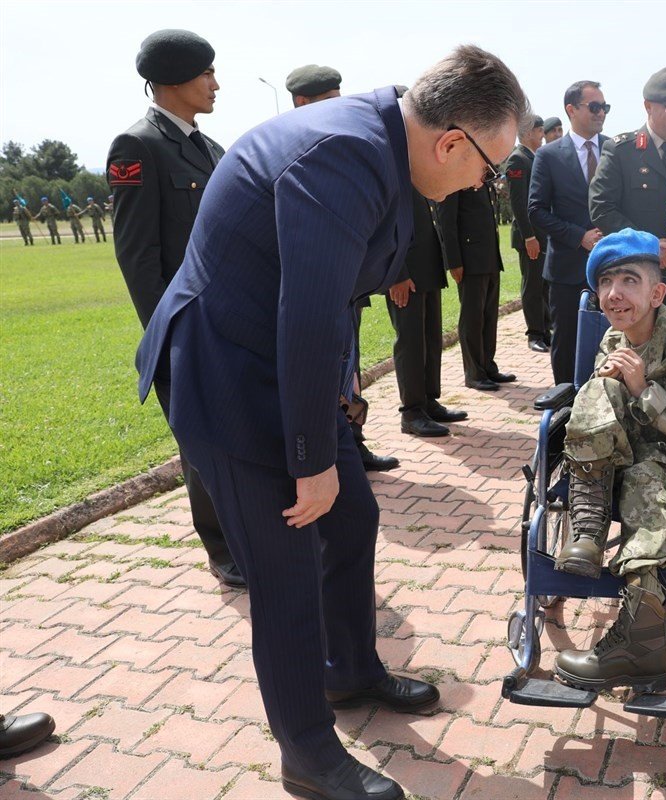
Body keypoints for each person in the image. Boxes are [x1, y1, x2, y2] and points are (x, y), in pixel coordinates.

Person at [133, 45, 526, 799]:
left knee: (351, 519)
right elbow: (307, 313)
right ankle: (308, 756)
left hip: (280, 365)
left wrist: (333, 414)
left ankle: (349, 672)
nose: (487, 181)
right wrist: (312, 458)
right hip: (229, 375)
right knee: (283, 570)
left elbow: (329, 295)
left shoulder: (380, 142)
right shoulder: (347, 151)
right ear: (452, 141)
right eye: (491, 166)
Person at [552, 229, 666, 693]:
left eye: (629, 280)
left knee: (642, 483)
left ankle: (641, 646)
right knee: (596, 389)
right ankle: (588, 536)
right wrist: (614, 387)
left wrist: (645, 392)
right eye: (606, 282)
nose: (614, 293)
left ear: (657, 293)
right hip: (625, 452)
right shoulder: (614, 337)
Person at [107, 29, 242, 588]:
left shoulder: (209, 148)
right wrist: (172, 335)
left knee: (236, 436)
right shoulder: (136, 146)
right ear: (170, 81)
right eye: (205, 73)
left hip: (230, 320)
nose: (215, 83)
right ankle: (224, 551)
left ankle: (247, 533)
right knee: (202, 444)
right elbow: (139, 257)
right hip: (187, 328)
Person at [286, 63, 397, 472]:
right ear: (302, 102)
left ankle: (354, 444)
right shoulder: (296, 144)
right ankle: (327, 453)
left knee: (350, 367)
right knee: (321, 374)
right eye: (327, 102)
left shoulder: (340, 142)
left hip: (348, 287)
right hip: (312, 287)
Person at [589, 64, 666, 311]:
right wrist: (649, 244)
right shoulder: (621, 150)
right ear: (648, 106)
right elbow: (601, 208)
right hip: (635, 276)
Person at [528, 80, 609, 385]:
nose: (601, 113)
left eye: (605, 107)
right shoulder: (548, 156)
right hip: (566, 269)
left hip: (611, 267)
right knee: (567, 345)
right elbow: (536, 210)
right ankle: (566, 409)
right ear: (571, 110)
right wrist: (579, 236)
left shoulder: (615, 149)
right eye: (595, 107)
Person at [388, 188, 465, 438]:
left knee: (431, 339)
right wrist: (397, 274)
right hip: (406, 273)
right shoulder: (392, 172)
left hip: (428, 266)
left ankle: (428, 401)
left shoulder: (417, 173)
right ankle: (411, 412)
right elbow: (385, 224)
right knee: (410, 343)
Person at [437, 182, 516, 391]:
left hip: (488, 256)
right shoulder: (457, 179)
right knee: (472, 318)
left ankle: (488, 366)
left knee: (489, 316)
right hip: (470, 259)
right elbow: (447, 220)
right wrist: (453, 261)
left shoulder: (484, 179)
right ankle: (474, 373)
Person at [503, 113, 551, 352]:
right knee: (532, 285)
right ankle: (534, 334)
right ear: (528, 132)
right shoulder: (517, 160)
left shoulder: (534, 158)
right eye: (540, 131)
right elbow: (518, 203)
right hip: (530, 236)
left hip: (542, 235)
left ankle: (545, 329)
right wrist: (529, 236)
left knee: (544, 285)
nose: (543, 136)